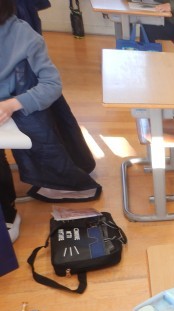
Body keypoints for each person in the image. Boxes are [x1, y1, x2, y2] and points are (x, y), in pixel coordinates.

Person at [0, 0, 101, 209]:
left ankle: (7, 209)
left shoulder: (23, 35)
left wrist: (12, 104)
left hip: (15, 107)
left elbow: (52, 85)